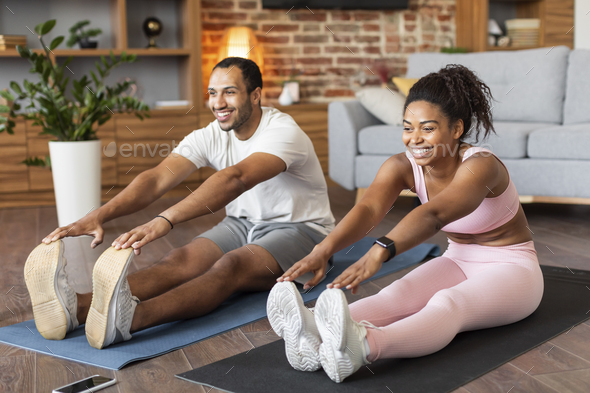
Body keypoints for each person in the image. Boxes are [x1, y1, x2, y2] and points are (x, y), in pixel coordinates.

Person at [24, 57, 335, 349]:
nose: (218, 103)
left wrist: (164, 220)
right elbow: (158, 178)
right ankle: (76, 308)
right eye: (212, 93)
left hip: (302, 230)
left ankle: (128, 319)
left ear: (255, 95)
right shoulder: (211, 134)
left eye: (229, 92)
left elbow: (236, 178)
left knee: (230, 266)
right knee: (180, 259)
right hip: (242, 224)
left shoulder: (282, 131)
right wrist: (100, 215)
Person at [266, 64, 544, 383]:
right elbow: (369, 208)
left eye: (427, 128)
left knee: (449, 302)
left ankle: (363, 346)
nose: (415, 139)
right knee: (397, 294)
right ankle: (311, 330)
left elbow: (435, 214)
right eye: (407, 127)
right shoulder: (403, 166)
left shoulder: (481, 166)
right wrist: (323, 249)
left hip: (514, 268)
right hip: (458, 259)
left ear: (456, 129)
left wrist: (380, 251)